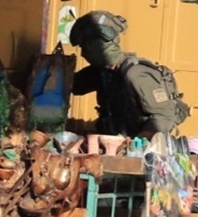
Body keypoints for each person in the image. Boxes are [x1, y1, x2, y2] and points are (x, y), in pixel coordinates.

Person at [68, 10, 185, 139]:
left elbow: (163, 116)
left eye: (86, 47)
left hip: (137, 148)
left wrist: (136, 144)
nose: (83, 54)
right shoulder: (103, 72)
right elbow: (72, 86)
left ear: (99, 45)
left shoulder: (135, 74)